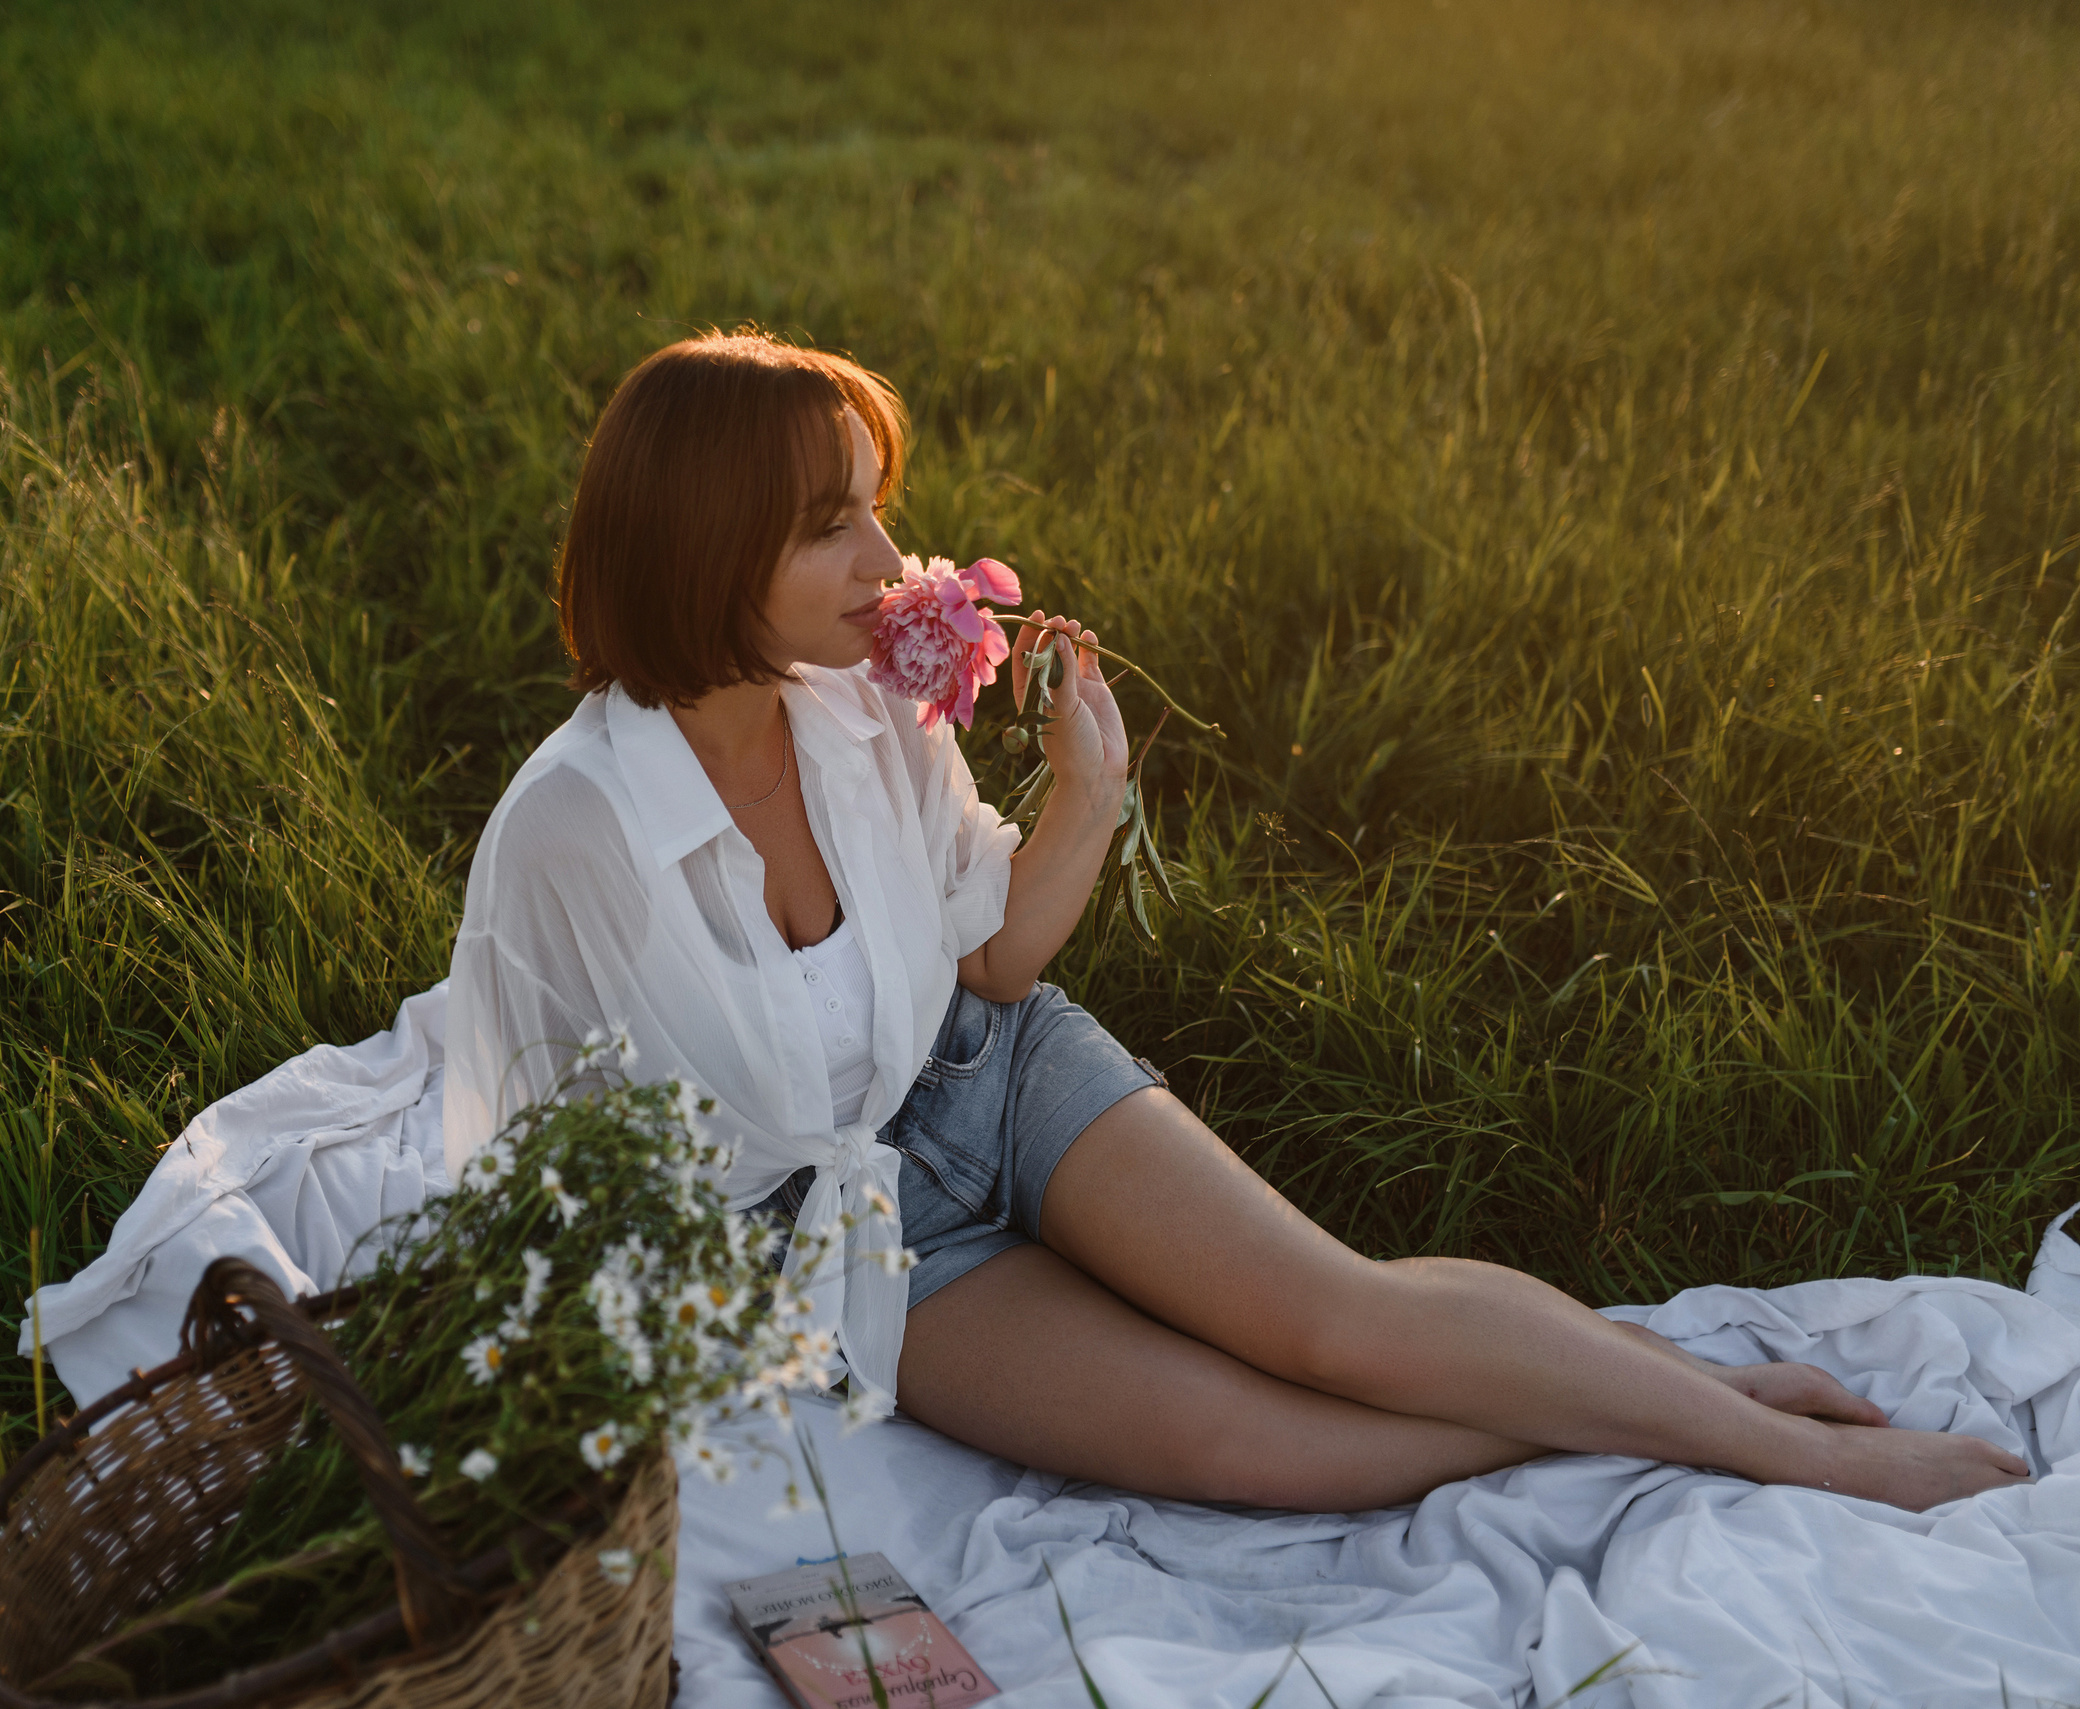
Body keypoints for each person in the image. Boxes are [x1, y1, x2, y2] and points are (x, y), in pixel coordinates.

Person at [440, 329, 2031, 1514]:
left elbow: (992, 963)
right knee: (1247, 1442)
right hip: (844, 1240)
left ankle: (1777, 1440)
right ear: (706, 550)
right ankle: (1642, 1400)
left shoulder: (863, 700)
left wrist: (1086, 792)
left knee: (1340, 1318)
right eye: (827, 528)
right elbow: (548, 1162)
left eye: (875, 509)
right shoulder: (574, 831)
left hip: (989, 1066)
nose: (885, 557)